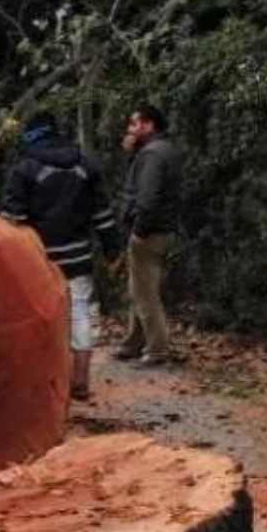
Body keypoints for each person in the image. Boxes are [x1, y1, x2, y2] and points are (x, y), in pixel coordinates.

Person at [0, 111, 122, 401]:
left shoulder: (25, 169)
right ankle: (80, 381)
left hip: (36, 260)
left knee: (36, 317)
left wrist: (6, 260)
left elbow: (11, 219)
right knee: (79, 312)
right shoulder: (85, 166)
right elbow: (102, 215)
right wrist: (112, 250)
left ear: (32, 136)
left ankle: (40, 383)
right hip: (78, 258)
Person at [114, 104, 183, 366]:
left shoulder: (152, 154)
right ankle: (133, 341)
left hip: (149, 231)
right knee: (139, 287)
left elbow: (147, 195)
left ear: (148, 125)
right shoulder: (163, 150)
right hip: (162, 228)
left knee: (145, 293)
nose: (129, 129)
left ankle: (157, 349)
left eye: (134, 124)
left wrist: (139, 229)